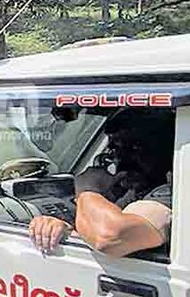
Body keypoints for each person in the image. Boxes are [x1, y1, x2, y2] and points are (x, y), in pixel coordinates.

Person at [29, 109, 174, 257]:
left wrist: (87, 189)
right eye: (115, 148)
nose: (121, 158)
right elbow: (97, 228)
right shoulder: (130, 191)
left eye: (134, 148)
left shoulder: (170, 194)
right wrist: (60, 229)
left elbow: (109, 237)